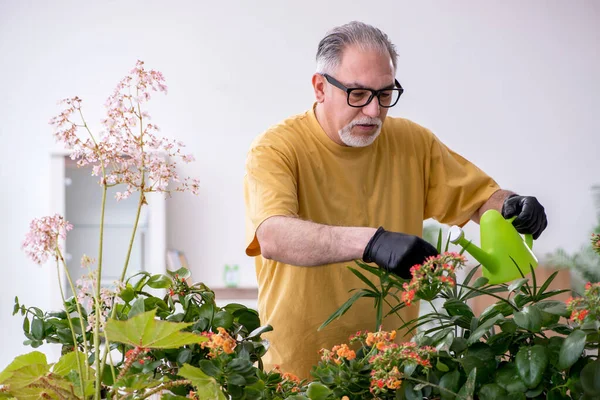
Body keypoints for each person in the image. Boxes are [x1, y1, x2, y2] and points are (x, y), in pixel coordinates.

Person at [243, 21, 547, 380]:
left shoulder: (411, 142)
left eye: (385, 94)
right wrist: (372, 242)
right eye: (357, 94)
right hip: (300, 374)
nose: (373, 111)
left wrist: (512, 204)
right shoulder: (277, 148)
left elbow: (480, 199)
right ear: (321, 87)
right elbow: (275, 236)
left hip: (393, 369)